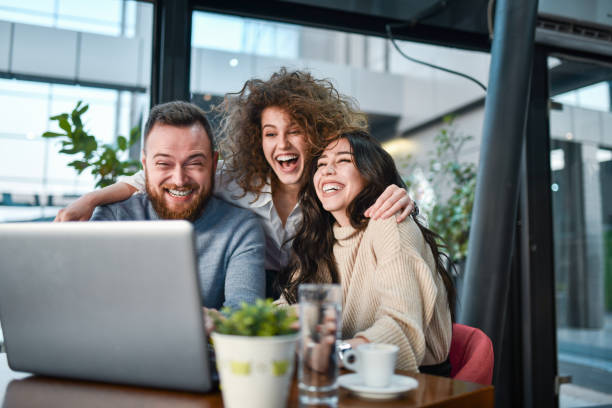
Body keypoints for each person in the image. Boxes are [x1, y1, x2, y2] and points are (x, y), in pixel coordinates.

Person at [57, 68, 415, 297]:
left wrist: (404, 202)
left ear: (317, 135)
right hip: (262, 288)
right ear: (257, 140)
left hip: (319, 288)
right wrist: (89, 200)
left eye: (295, 132)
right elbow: (156, 177)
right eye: (270, 133)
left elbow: (388, 219)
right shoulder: (235, 178)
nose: (283, 145)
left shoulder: (334, 187)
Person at [278, 129, 455, 375]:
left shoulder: (389, 222)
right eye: (321, 164)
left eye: (343, 160)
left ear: (370, 173)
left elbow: (401, 327)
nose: (328, 170)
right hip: (352, 371)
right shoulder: (322, 238)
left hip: (415, 383)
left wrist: (333, 354)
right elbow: (289, 306)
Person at [90, 101, 265, 310]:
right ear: (145, 166)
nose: (180, 180)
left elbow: (244, 316)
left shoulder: (241, 228)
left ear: (213, 163)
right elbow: (89, 304)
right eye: (164, 163)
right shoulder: (113, 218)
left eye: (194, 163)